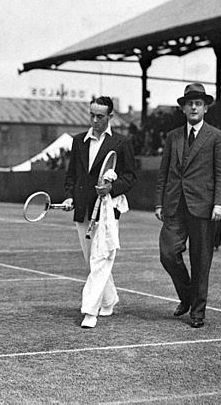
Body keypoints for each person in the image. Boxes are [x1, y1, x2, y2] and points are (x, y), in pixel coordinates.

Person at [154, 83, 221, 328]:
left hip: (204, 207)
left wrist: (219, 203)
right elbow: (163, 172)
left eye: (198, 103)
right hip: (175, 205)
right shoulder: (173, 136)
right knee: (167, 254)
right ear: (183, 108)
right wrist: (158, 202)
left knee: (201, 261)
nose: (194, 107)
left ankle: (197, 311)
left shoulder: (217, 137)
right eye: (189, 103)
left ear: (205, 108)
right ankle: (187, 296)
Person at [62, 96, 137, 328]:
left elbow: (130, 177)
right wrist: (70, 196)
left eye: (100, 116)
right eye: (92, 115)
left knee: (101, 259)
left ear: (110, 117)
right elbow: (72, 175)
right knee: (92, 261)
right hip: (83, 210)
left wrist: (111, 189)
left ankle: (89, 311)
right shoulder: (78, 141)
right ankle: (110, 299)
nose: (95, 120)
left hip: (108, 211)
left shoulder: (122, 143)